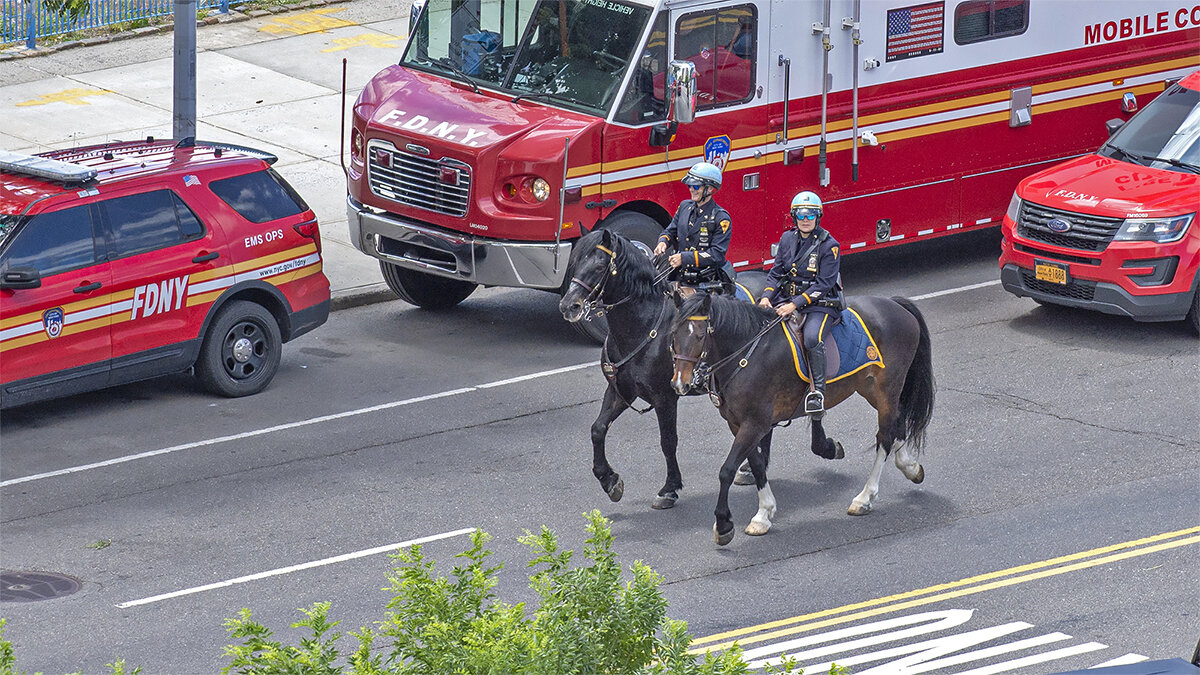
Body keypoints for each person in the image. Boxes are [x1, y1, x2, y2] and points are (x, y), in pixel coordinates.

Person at [758, 191, 843, 416]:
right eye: (801, 215)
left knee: (813, 338)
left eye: (811, 215)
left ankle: (818, 392)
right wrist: (766, 297)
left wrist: (794, 305)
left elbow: (823, 285)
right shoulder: (787, 239)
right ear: (795, 217)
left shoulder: (829, 245)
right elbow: (776, 273)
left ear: (818, 217)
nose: (806, 219)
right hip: (786, 298)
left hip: (819, 304)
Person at [652, 161, 735, 293]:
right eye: (690, 185)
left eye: (696, 186)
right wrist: (663, 242)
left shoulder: (721, 218)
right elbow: (671, 231)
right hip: (679, 276)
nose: (691, 189)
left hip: (705, 283)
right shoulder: (684, 206)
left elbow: (716, 255)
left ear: (709, 189)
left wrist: (684, 258)